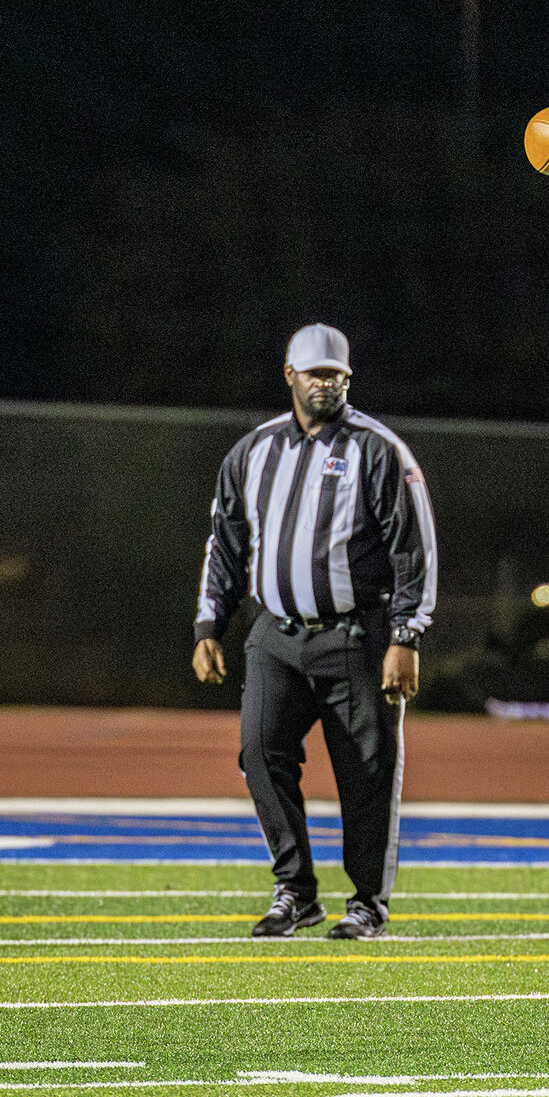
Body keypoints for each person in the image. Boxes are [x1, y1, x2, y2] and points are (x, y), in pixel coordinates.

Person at [193, 324, 438, 941]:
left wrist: (406, 636)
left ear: (347, 379)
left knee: (366, 770)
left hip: (355, 634)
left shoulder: (377, 450)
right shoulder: (253, 452)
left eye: (336, 375)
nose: (326, 384)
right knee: (259, 751)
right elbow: (225, 543)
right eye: (315, 373)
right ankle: (295, 892)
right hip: (275, 635)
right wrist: (209, 625)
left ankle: (367, 903)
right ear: (290, 374)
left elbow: (414, 549)